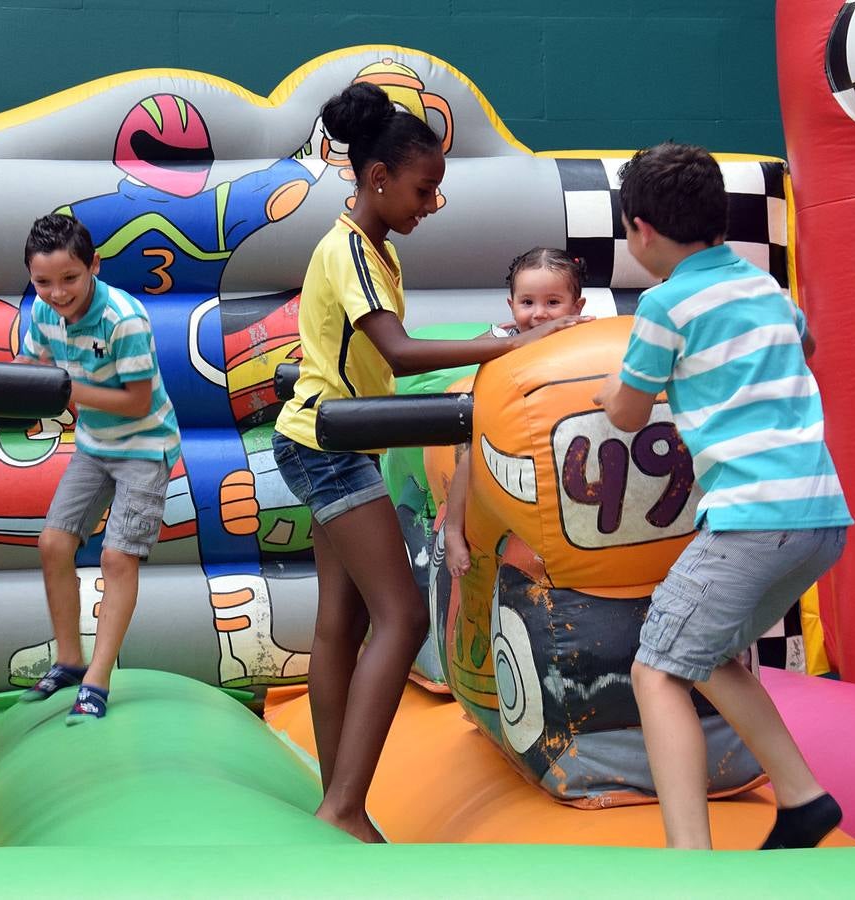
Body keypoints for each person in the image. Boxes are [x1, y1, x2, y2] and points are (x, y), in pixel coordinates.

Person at [272, 82, 588, 842]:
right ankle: (343, 807)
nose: (429, 205)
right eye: (423, 190)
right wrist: (512, 345)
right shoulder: (348, 249)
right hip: (327, 448)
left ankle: (333, 795)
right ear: (376, 177)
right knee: (402, 612)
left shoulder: (372, 247)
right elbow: (400, 353)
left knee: (341, 621)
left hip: (331, 440)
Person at [592, 142, 852, 850]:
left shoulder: (664, 304)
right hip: (820, 516)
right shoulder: (763, 288)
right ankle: (801, 799)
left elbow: (625, 414)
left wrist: (603, 390)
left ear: (639, 229)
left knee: (655, 670)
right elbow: (808, 342)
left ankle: (690, 863)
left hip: (749, 519)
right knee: (705, 656)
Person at [16, 213, 180, 724]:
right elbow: (33, 369)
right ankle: (68, 659)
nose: (57, 292)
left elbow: (134, 402)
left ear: (94, 266)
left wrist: (63, 388)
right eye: (43, 281)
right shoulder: (42, 313)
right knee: (53, 544)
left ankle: (97, 680)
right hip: (94, 445)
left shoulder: (123, 319)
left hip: (144, 447)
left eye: (70, 278)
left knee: (117, 559)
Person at [444, 247, 587, 578]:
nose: (538, 314)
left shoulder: (582, 337)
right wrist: (499, 338)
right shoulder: (507, 338)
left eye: (553, 303)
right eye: (527, 303)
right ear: (512, 305)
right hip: (505, 432)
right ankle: (453, 529)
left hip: (559, 431)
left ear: (576, 308)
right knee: (469, 453)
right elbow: (470, 354)